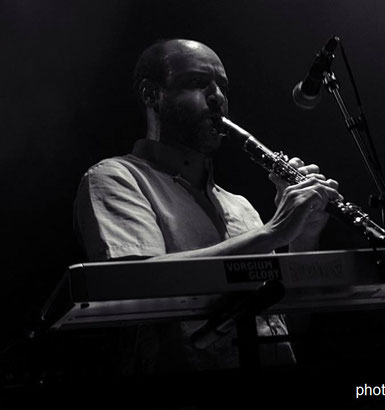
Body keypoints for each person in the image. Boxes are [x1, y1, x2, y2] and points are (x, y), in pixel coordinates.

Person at [73, 39, 341, 376]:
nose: (217, 97)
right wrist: (274, 231)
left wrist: (303, 236)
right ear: (151, 94)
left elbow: (288, 328)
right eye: (198, 83)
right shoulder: (116, 177)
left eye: (223, 87)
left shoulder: (240, 207)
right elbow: (135, 282)